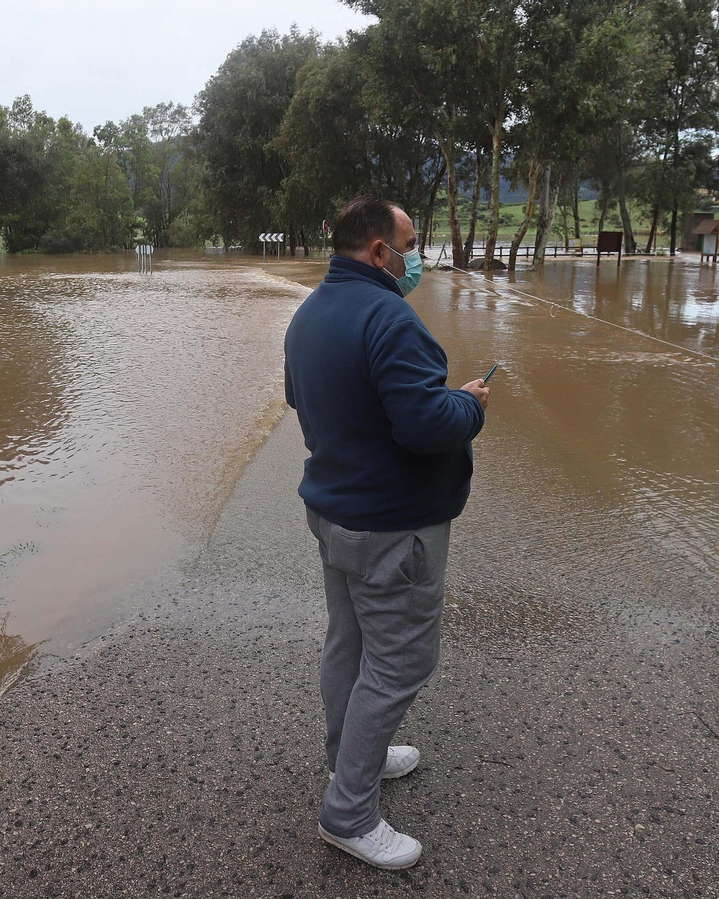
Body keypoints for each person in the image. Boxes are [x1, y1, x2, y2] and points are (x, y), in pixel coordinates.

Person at [283, 196, 489, 869]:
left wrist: (423, 401)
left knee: (350, 642)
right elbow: (427, 425)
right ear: (378, 251)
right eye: (409, 242)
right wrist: (468, 404)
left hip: (335, 513)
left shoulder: (309, 313)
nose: (414, 255)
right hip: (391, 530)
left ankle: (348, 758)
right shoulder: (389, 317)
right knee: (399, 662)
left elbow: (302, 397)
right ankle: (348, 812)